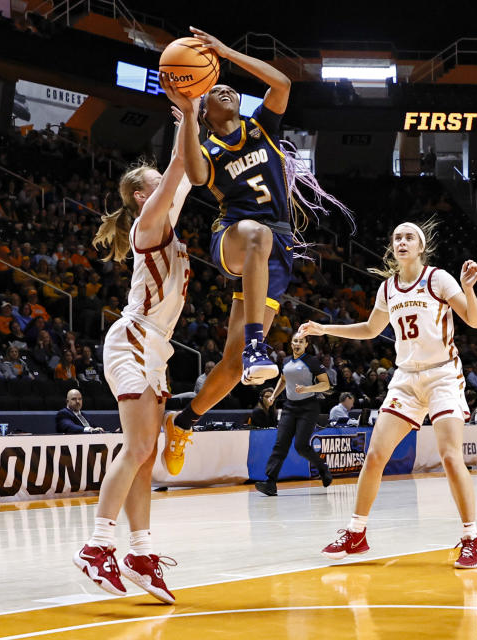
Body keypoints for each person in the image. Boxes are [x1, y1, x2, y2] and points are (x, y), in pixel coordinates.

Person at [160, 27, 351, 474]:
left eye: (228, 86)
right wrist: (188, 113)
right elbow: (194, 170)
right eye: (214, 92)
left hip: (276, 246)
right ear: (206, 112)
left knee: (228, 366)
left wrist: (226, 52)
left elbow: (282, 84)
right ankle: (255, 347)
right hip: (233, 235)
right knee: (256, 237)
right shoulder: (206, 143)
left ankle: (184, 422)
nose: (224, 88)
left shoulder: (260, 125)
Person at [299, 219, 477, 569]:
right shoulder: (388, 288)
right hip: (405, 379)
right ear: (392, 247)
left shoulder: (438, 279)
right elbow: (371, 328)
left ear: (421, 247)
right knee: (374, 455)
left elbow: (475, 321)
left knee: (449, 455)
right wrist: (324, 327)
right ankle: (357, 533)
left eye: (409, 237)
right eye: (397, 236)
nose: (402, 241)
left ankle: (471, 538)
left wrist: (468, 288)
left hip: (442, 375)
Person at [73, 108, 192, 605]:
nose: (165, 180)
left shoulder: (165, 215)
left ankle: (140, 552)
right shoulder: (148, 222)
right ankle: (97, 546)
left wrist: (190, 121)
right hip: (134, 339)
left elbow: (185, 167)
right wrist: (188, 113)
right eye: (155, 179)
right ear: (143, 196)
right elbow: (181, 168)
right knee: (138, 448)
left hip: (155, 347)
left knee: (146, 458)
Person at [255, 333, 333, 496]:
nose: (297, 343)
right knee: (280, 444)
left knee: (300, 446)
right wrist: (273, 396)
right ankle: (270, 483)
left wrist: (308, 389)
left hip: (308, 407)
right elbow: (283, 380)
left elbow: (325, 385)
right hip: (289, 407)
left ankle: (322, 468)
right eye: (295, 341)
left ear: (306, 344)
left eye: (301, 341)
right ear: (291, 343)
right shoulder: (286, 361)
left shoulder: (312, 361)